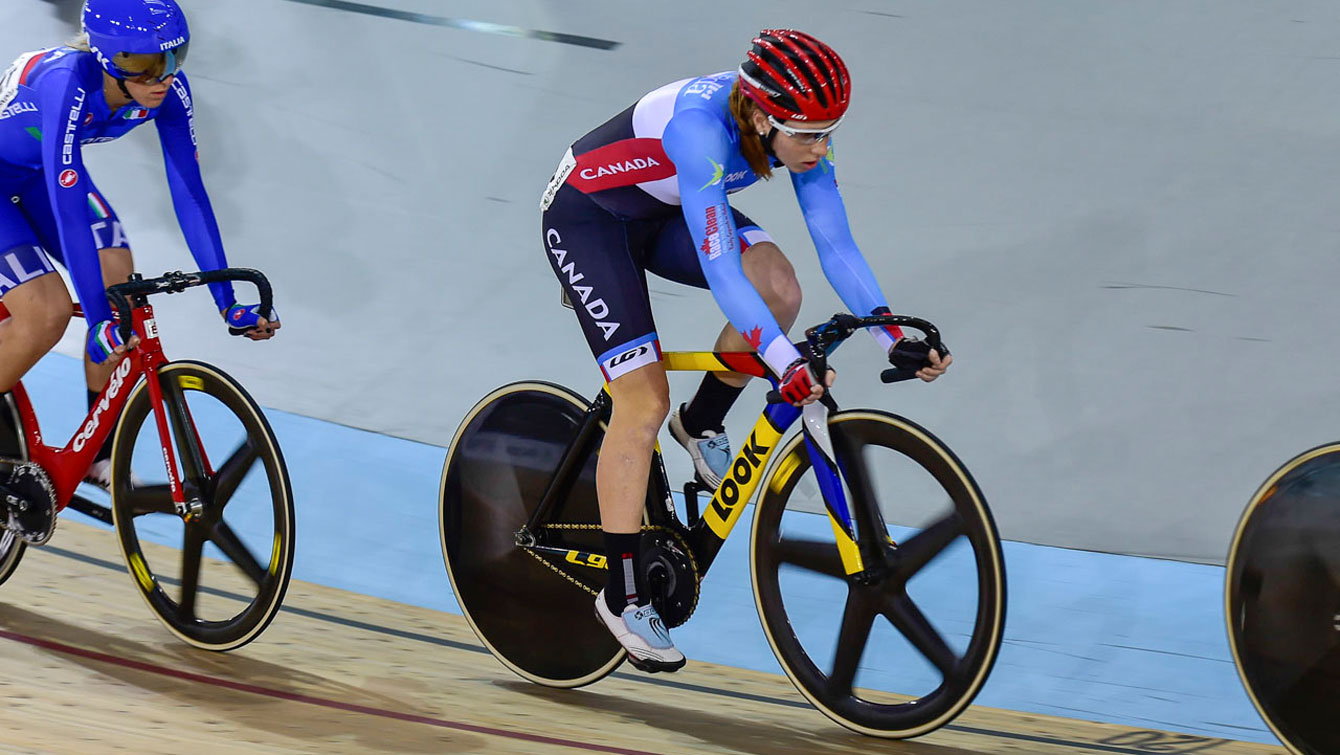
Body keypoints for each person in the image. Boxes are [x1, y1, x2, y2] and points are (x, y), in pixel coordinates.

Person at [539, 29, 950, 672]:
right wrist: (784, 363)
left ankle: (700, 422)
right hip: (590, 219)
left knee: (781, 287)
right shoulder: (701, 132)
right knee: (642, 402)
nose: (820, 147)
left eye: (828, 131)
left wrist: (889, 335)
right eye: (807, 134)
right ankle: (620, 597)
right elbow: (721, 267)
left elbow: (833, 242)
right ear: (761, 115)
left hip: (667, 207)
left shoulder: (793, 128)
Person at [0, 0, 278, 487]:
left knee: (117, 274)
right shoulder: (66, 82)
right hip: (26, 178)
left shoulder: (167, 90)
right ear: (109, 58)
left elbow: (190, 194)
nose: (162, 77)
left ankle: (96, 455)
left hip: (38, 175)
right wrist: (98, 322)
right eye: (145, 65)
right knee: (46, 313)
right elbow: (68, 208)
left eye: (175, 58)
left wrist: (226, 302)